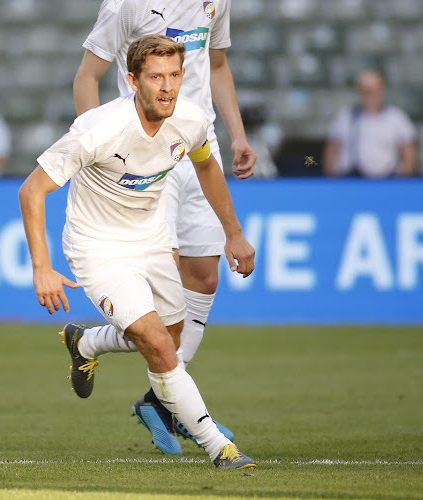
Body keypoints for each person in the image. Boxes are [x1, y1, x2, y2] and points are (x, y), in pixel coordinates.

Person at [18, 34, 256, 469]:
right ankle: (219, 447)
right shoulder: (98, 129)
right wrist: (41, 267)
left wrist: (233, 232)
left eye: (173, 76)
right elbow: (32, 190)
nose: (166, 87)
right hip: (97, 246)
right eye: (155, 77)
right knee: (161, 348)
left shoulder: (190, 120)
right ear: (132, 81)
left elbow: (205, 165)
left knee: (172, 335)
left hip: (150, 238)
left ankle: (86, 343)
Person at [322, 69, 418, 178]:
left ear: (382, 90)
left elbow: (409, 152)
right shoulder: (345, 116)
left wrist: (402, 182)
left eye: (373, 90)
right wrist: (332, 181)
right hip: (350, 182)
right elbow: (332, 150)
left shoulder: (397, 118)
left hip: (387, 182)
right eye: (364, 90)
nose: (369, 94)